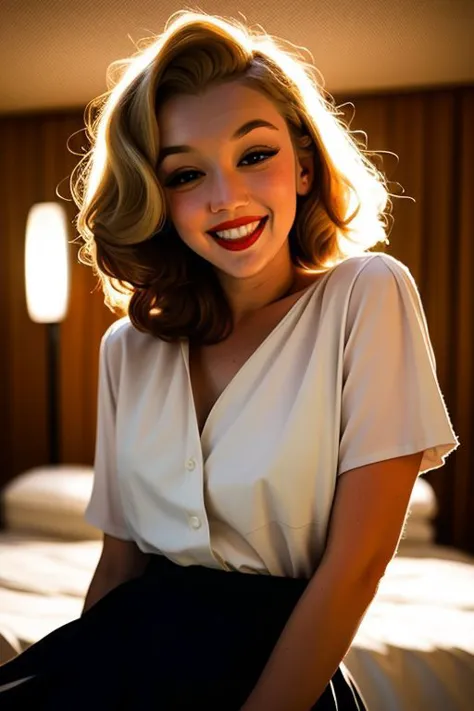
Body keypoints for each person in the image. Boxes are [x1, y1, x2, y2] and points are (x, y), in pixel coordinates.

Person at [0, 9, 459, 710]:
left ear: (303, 167)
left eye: (254, 155)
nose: (227, 199)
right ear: (159, 201)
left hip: (273, 674)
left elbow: (358, 564)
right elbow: (119, 567)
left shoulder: (368, 295)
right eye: (186, 174)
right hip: (120, 660)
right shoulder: (128, 348)